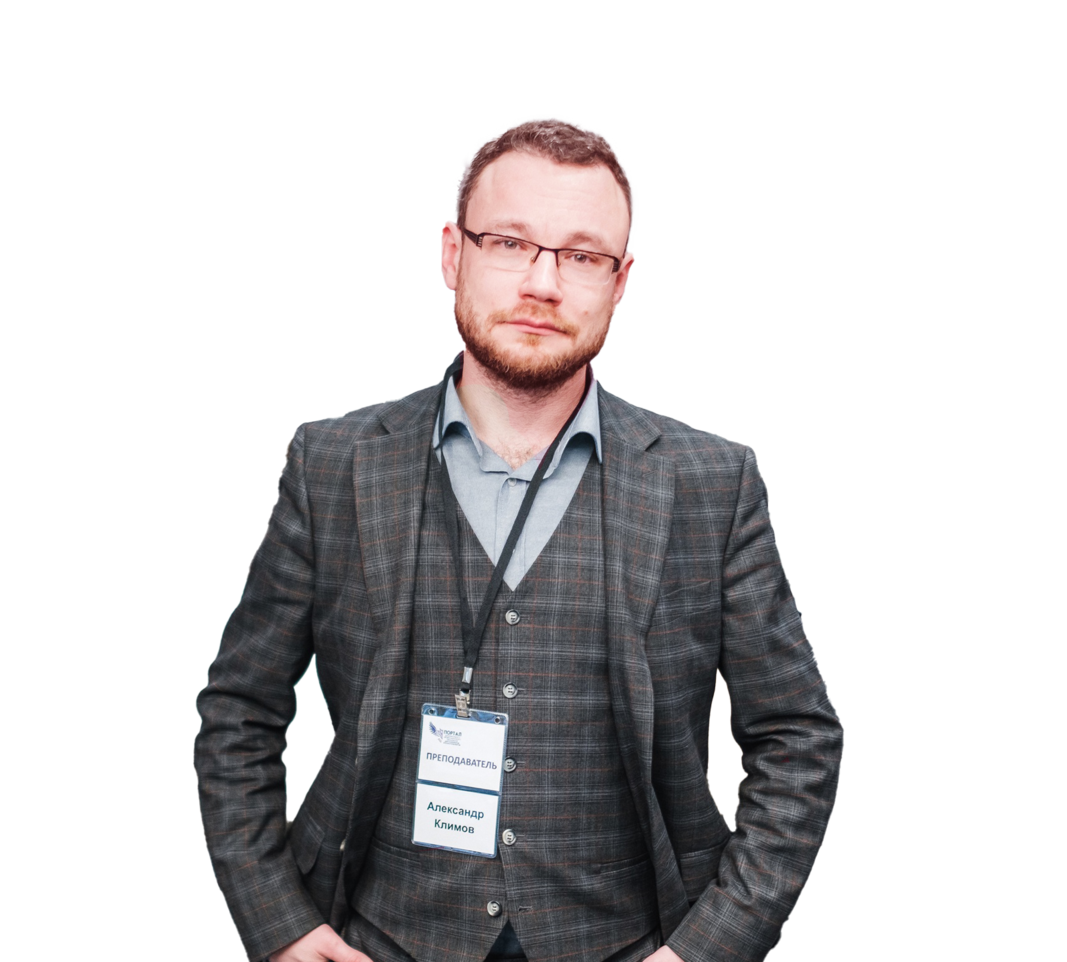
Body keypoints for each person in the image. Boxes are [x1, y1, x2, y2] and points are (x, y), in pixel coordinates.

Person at [193, 115, 843, 962]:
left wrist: (709, 949)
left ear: (622, 281)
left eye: (582, 255)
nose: (543, 283)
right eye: (509, 242)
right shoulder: (332, 463)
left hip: (637, 942)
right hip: (374, 939)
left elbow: (798, 737)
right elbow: (238, 710)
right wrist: (280, 923)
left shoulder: (712, 482)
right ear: (452, 253)